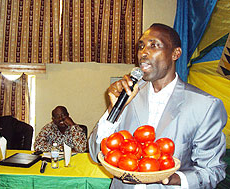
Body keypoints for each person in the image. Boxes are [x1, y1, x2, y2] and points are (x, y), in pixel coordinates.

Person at [89, 23, 227, 188]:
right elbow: (95, 153)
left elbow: (212, 171)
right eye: (141, 46)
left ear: (175, 53)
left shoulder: (204, 106)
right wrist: (113, 110)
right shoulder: (127, 96)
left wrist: (173, 178)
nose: (143, 53)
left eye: (154, 45)